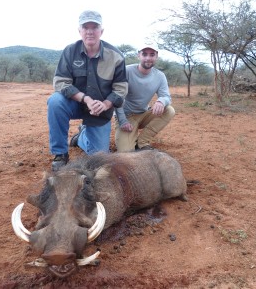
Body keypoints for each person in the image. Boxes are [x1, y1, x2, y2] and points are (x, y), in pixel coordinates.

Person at [47, 10, 128, 171]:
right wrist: (86, 99)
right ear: (80, 31)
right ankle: (60, 154)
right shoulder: (70, 51)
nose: (90, 31)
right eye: (86, 27)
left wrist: (105, 104)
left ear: (101, 31)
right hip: (76, 103)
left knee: (99, 159)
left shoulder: (116, 56)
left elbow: (121, 89)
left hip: (100, 110)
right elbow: (60, 82)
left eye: (94, 27)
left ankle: (81, 137)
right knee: (55, 101)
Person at [114, 44, 175, 152]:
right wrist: (122, 120)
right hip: (126, 117)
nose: (148, 58)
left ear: (156, 57)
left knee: (169, 110)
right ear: (139, 55)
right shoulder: (126, 71)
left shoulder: (160, 76)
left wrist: (161, 102)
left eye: (152, 54)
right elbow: (116, 97)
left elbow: (166, 96)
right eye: (144, 54)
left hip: (143, 113)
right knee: (126, 153)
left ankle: (142, 142)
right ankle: (80, 137)